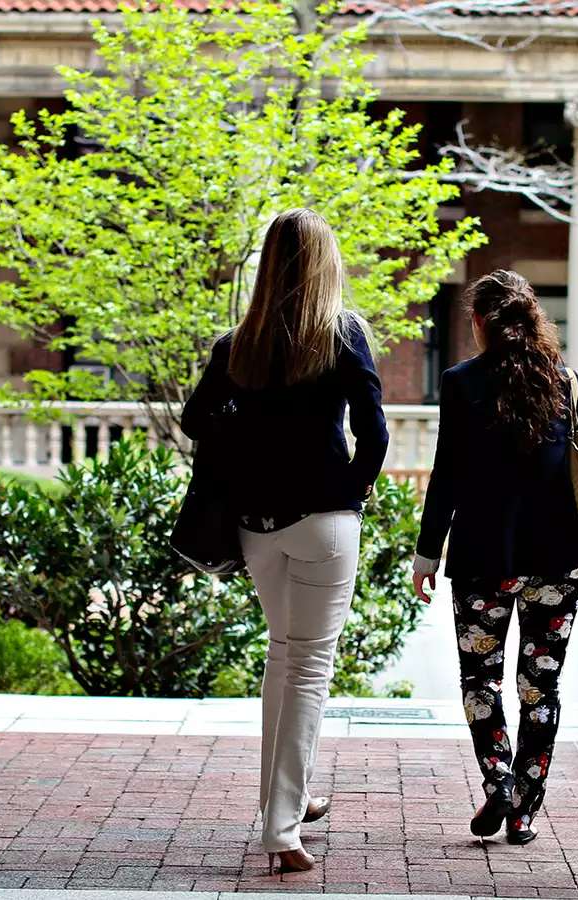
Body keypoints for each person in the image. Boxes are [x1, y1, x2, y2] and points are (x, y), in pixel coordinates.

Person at [181, 208, 388, 875]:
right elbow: (375, 433)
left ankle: (286, 798)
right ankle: (281, 824)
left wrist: (249, 453)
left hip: (257, 528)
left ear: (269, 265)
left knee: (283, 658)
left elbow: (195, 420)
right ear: (326, 263)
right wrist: (352, 494)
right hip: (325, 520)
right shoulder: (343, 333)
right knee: (308, 667)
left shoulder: (236, 343)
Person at [410, 269, 578, 846]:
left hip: (483, 561)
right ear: (532, 321)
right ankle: (525, 809)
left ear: (478, 322)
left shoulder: (460, 383)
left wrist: (427, 554)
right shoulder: (564, 382)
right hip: (559, 562)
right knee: (539, 688)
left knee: (480, 681)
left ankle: (499, 781)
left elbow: (445, 478)